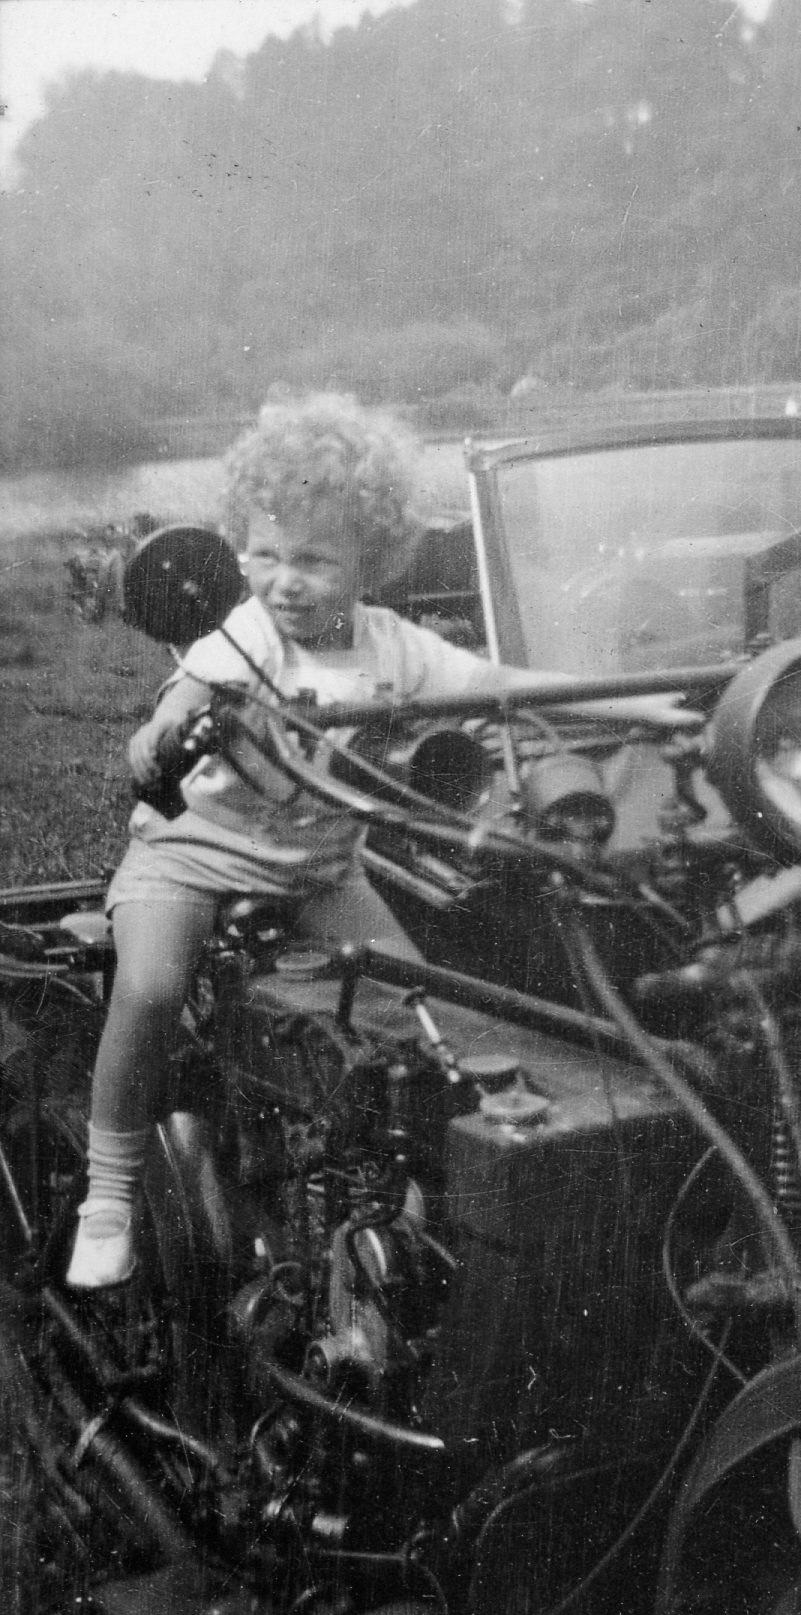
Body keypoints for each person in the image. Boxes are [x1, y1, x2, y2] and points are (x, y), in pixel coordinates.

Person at [67, 393, 690, 1290]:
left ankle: (398, 1198)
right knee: (154, 985)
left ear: (373, 561)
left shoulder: (398, 649)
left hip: (322, 866)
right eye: (266, 554)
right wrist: (157, 737)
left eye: (315, 560)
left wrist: (639, 704)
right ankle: (111, 1195)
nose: (285, 580)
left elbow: (510, 684)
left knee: (418, 1008)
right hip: (195, 850)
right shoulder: (243, 637)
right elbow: (177, 706)